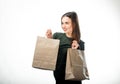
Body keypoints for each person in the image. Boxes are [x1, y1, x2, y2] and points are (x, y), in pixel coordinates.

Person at [46, 11, 84, 84]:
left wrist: (75, 50)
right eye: (62, 23)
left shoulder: (80, 43)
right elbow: (50, 54)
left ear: (74, 24)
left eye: (66, 23)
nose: (63, 26)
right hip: (59, 77)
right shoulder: (57, 36)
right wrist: (49, 39)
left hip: (74, 80)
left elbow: (79, 65)